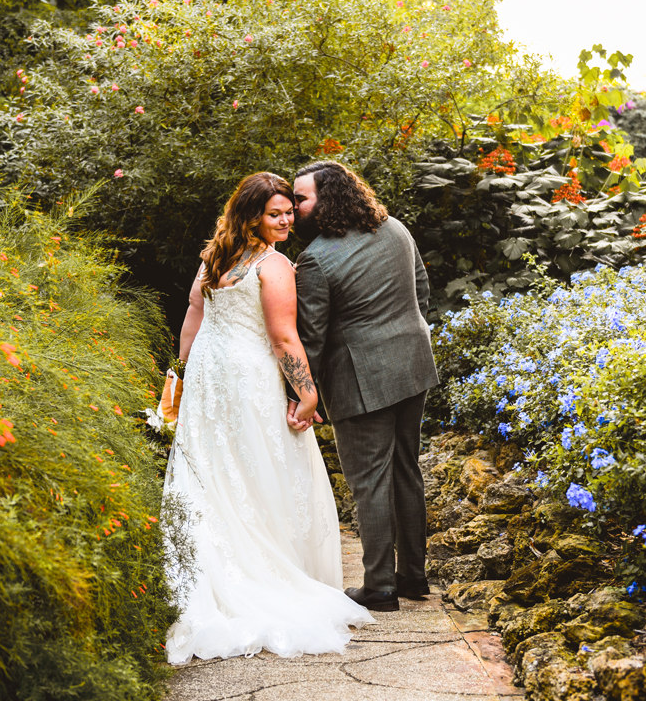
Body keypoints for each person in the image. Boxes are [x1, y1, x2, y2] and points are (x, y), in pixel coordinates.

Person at [162, 172, 374, 665]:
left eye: (287, 212)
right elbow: (283, 338)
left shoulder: (215, 257)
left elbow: (192, 317)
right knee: (264, 466)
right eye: (274, 214)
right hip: (247, 376)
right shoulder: (273, 264)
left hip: (210, 378)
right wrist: (306, 394)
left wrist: (183, 373)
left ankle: (216, 569)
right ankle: (265, 572)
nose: (285, 221)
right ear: (252, 215)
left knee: (214, 469)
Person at [287, 161, 440, 613]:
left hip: (359, 377)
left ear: (327, 199)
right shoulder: (395, 228)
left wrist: (301, 392)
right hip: (413, 363)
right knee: (406, 470)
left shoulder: (314, 257)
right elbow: (422, 290)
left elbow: (311, 337)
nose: (296, 207)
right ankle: (413, 577)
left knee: (369, 480)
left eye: (302, 198)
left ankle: (378, 587)